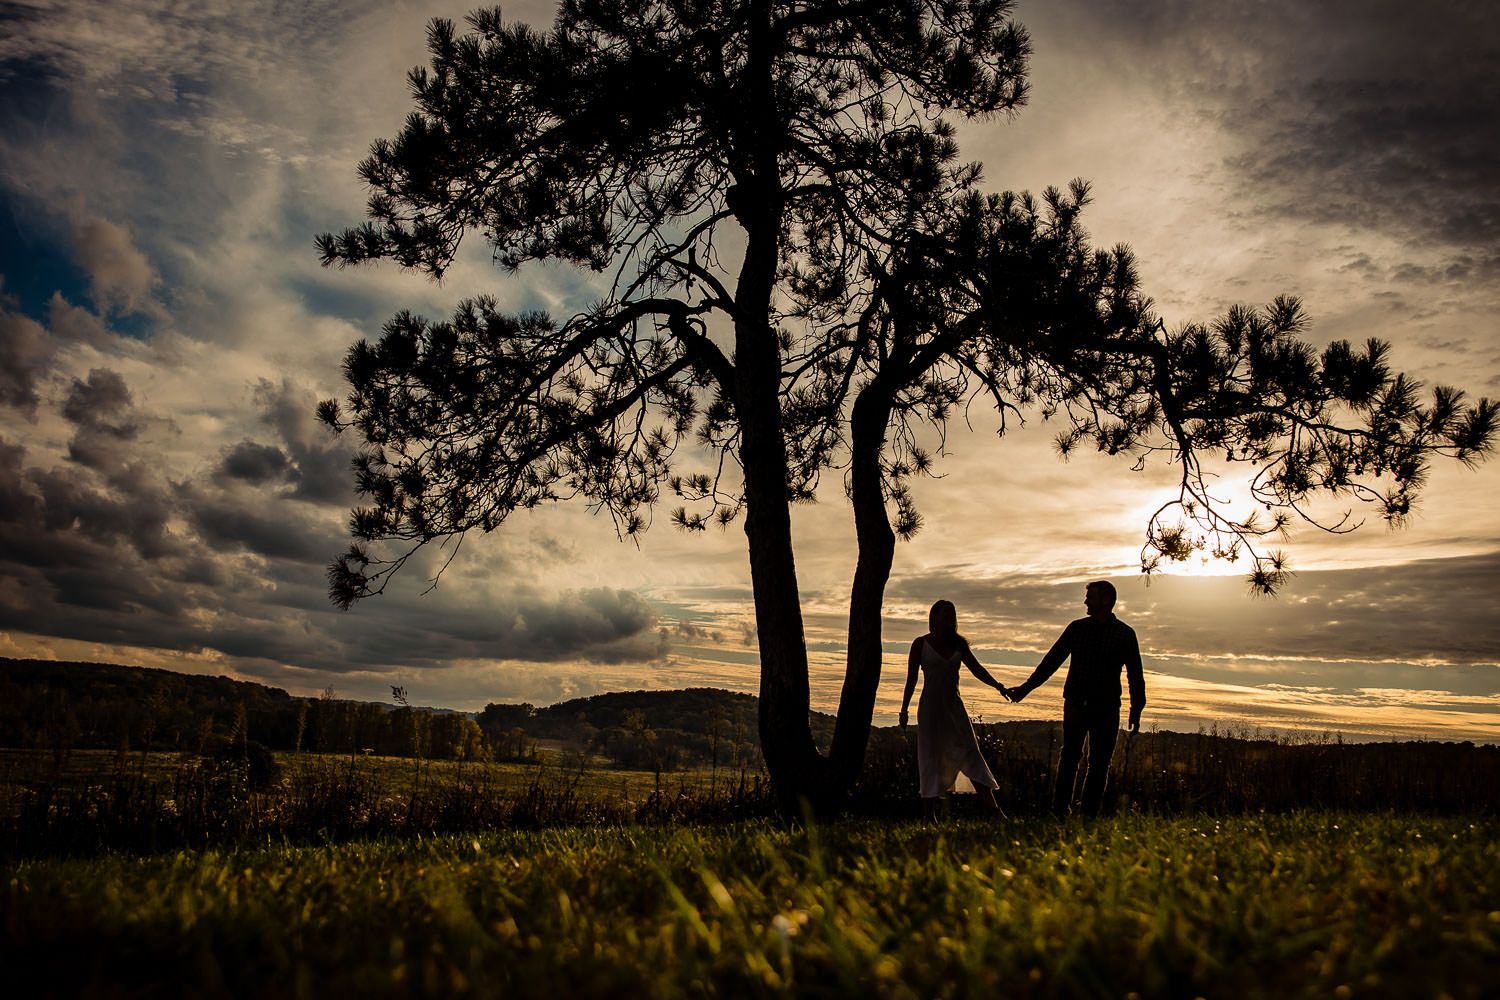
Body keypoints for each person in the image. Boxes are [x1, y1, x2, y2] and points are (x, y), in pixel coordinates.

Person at [1006, 580, 1145, 816]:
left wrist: (1136, 709)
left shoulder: (1124, 634)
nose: (1085, 601)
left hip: (1107, 707)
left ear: (1106, 601)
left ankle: (1088, 814)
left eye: (1090, 597)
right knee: (1070, 756)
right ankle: (1060, 810)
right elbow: (1051, 662)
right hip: (1076, 704)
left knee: (1099, 763)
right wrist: (1025, 688)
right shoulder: (1077, 629)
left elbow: (1135, 674)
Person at [899, 599, 1009, 820]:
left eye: (952, 614)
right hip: (931, 709)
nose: (950, 617)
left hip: (954, 708)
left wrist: (998, 686)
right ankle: (929, 816)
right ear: (935, 616)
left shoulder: (959, 645)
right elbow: (911, 679)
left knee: (970, 752)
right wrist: (904, 709)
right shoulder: (920, 644)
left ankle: (993, 809)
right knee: (930, 757)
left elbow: (977, 669)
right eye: (946, 613)